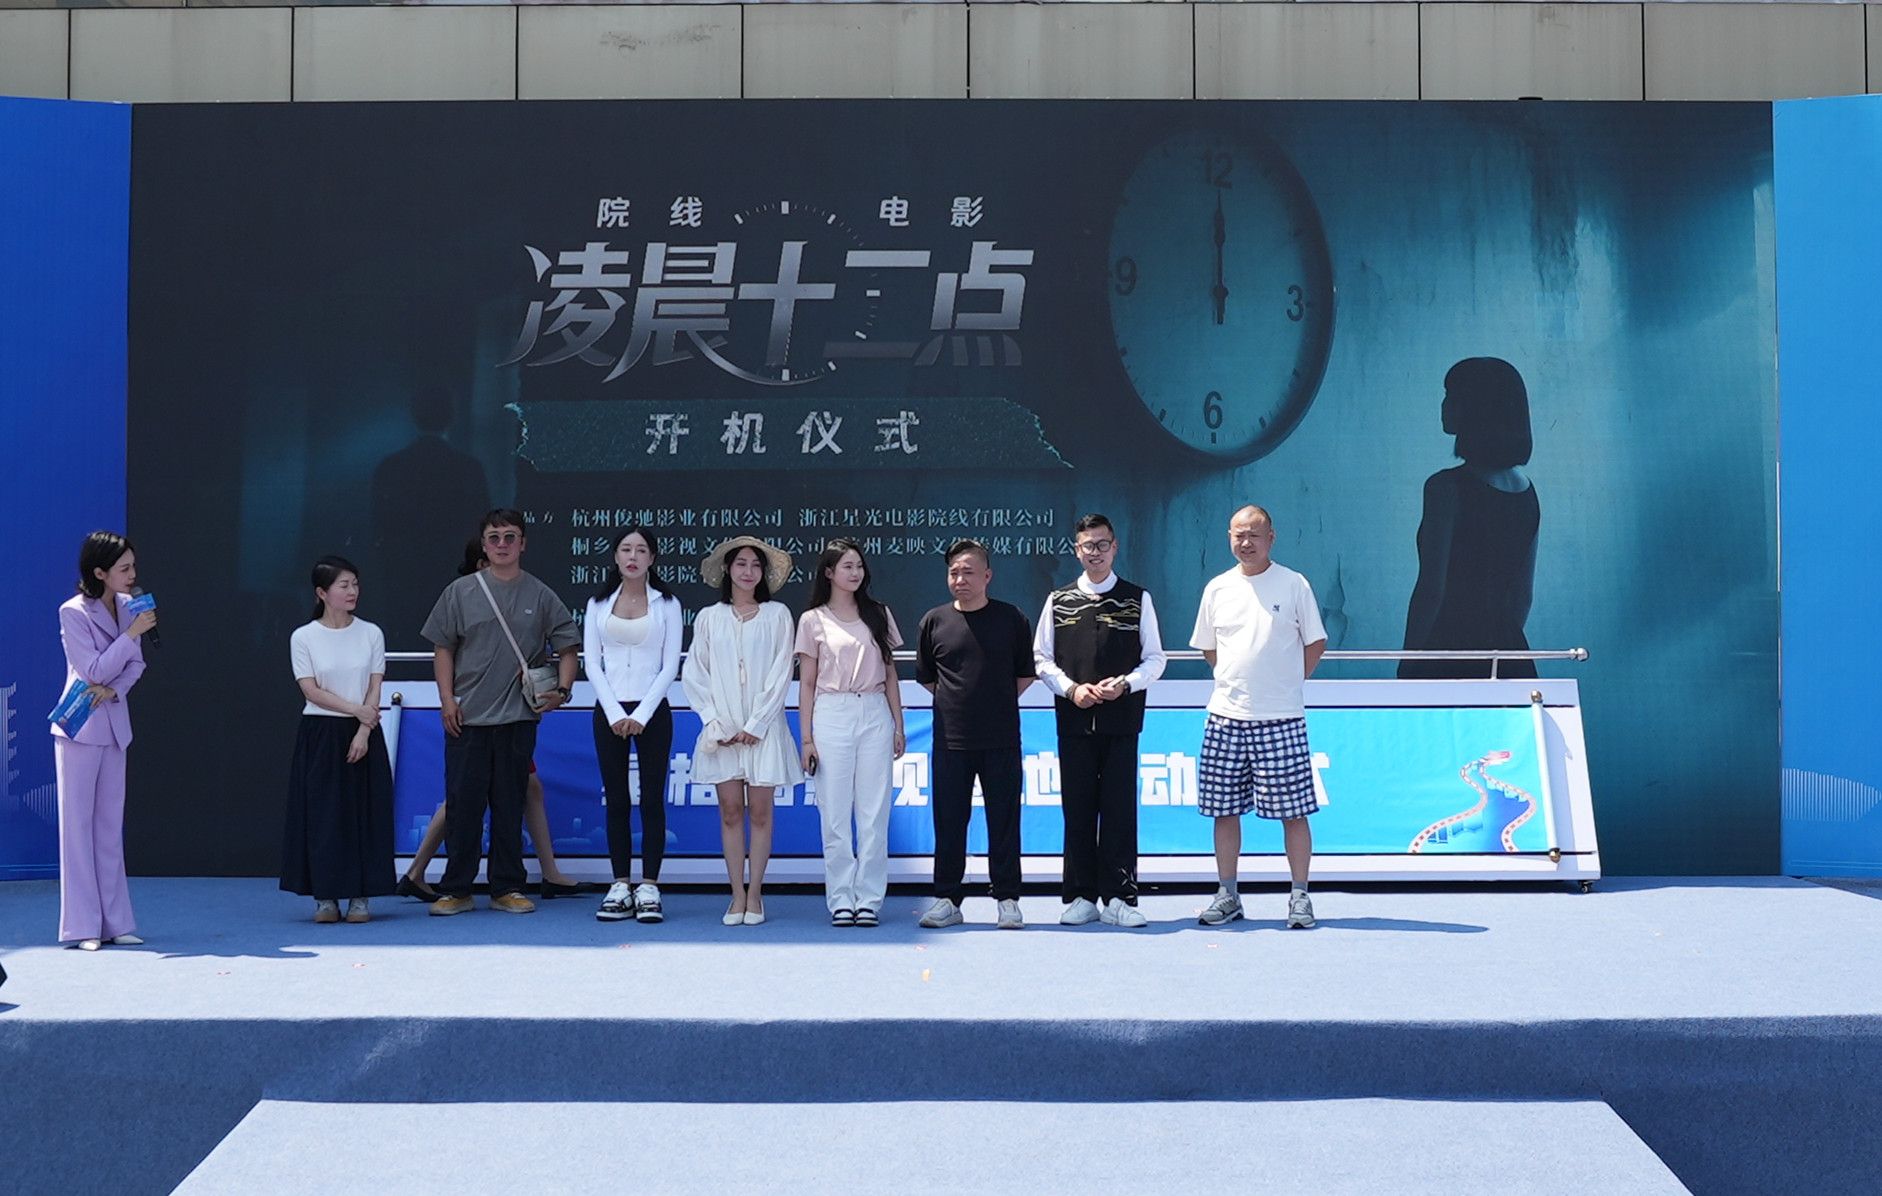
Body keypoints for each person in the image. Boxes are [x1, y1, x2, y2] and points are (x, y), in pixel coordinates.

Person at [398, 539, 583, 902]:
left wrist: (562, 691)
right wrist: (446, 699)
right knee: (463, 804)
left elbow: (567, 647)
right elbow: (443, 647)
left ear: (523, 543)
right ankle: (455, 888)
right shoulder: (459, 593)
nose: (502, 545)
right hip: (468, 717)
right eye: (494, 538)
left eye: (510, 537)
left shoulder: (539, 593)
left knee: (511, 803)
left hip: (517, 718)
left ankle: (508, 887)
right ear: (483, 548)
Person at [1190, 505, 1328, 929]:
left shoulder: (1294, 584)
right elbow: (1209, 647)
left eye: (1254, 534)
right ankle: (1227, 895)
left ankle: (1300, 896)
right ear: (1229, 537)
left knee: (1294, 812)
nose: (1246, 542)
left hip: (1281, 719)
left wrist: (1285, 683)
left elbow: (1315, 643)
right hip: (1226, 717)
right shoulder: (1217, 588)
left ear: (1272, 537)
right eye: (1238, 534)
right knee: (1224, 811)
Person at [1033, 514, 1166, 929]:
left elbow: (1155, 659)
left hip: (1122, 722)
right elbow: (1041, 658)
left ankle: (1120, 897)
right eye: (1088, 545)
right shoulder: (1058, 600)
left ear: (1115, 547)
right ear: (1077, 550)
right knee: (1077, 809)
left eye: (1102, 544)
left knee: (1119, 810)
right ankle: (1080, 896)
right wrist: (1071, 689)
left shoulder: (1137, 598)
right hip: (1074, 722)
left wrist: (1126, 684)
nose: (1095, 552)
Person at [915, 539, 1035, 931]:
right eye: (954, 572)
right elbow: (928, 678)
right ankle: (947, 899)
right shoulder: (934, 621)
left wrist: (992, 702)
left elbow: (1024, 674)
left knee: (1004, 820)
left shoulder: (1011, 618)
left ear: (987, 575)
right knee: (949, 821)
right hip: (951, 739)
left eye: (968, 572)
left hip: (1001, 738)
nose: (960, 579)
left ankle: (1007, 899)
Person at [683, 536, 801, 927]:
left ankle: (756, 894)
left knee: (761, 813)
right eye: (741, 564)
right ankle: (736, 894)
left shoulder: (778, 615)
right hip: (723, 731)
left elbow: (782, 670)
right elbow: (695, 673)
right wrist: (716, 721)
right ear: (728, 569)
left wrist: (756, 723)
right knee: (731, 811)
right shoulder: (709, 617)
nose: (748, 572)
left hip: (762, 731)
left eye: (755, 565)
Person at [1399, 357, 1539, 680]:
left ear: (1476, 408)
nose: (1443, 406)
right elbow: (1522, 597)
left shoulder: (1445, 488)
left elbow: (1431, 589)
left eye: (1451, 396)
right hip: (1509, 655)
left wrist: (1409, 659)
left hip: (1449, 650)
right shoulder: (1527, 491)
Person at [796, 539, 906, 929]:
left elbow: (890, 674)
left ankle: (869, 899)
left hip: (874, 710)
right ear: (829, 573)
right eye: (846, 566)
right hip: (832, 711)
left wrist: (898, 724)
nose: (855, 572)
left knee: (874, 812)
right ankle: (841, 898)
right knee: (835, 813)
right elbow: (807, 683)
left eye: (858, 565)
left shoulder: (879, 613)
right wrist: (806, 738)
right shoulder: (812, 620)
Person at [53, 531, 155, 950]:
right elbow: (92, 669)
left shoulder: (131, 607)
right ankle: (83, 927)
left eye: (133, 567)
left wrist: (114, 691)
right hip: (79, 727)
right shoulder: (73, 612)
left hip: (114, 726)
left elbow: (136, 666)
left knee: (109, 827)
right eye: (123, 568)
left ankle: (117, 922)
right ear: (99, 572)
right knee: (76, 829)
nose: (132, 575)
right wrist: (129, 637)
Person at [281, 556, 396, 923]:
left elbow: (375, 684)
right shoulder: (304, 637)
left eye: (355, 584)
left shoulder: (371, 633)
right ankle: (326, 897)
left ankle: (361, 896)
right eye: (343, 585)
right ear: (322, 592)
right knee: (324, 814)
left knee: (364, 812)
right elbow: (311, 690)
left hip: (364, 732)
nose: (352, 591)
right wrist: (356, 711)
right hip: (321, 732)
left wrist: (363, 728)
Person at [585, 526, 683, 924]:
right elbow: (592, 663)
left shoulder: (668, 604)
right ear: (615, 556)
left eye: (641, 550)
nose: (633, 556)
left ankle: (649, 885)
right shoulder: (597, 603)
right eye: (626, 549)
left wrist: (641, 714)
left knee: (652, 798)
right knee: (617, 799)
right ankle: (620, 883)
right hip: (609, 711)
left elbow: (670, 665)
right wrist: (614, 713)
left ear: (652, 559)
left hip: (652, 711)